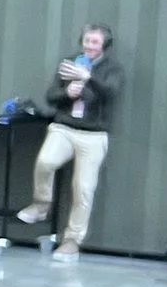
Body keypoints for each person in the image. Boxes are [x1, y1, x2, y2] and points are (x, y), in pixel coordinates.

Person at [19, 23, 124, 261]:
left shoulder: (112, 69)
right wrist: (67, 93)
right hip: (65, 127)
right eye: (87, 40)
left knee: (83, 188)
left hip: (93, 134)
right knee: (45, 162)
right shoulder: (69, 63)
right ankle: (41, 204)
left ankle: (72, 241)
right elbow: (51, 96)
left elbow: (110, 93)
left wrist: (88, 78)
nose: (89, 46)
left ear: (104, 45)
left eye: (95, 42)